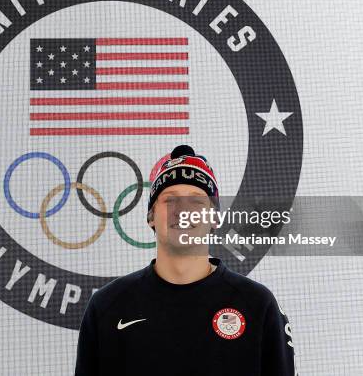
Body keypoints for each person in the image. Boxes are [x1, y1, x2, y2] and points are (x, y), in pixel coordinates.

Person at [74, 144, 297, 376]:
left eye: (197, 201)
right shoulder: (107, 306)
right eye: (170, 200)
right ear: (151, 217)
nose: (182, 211)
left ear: (214, 218)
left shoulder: (258, 305)